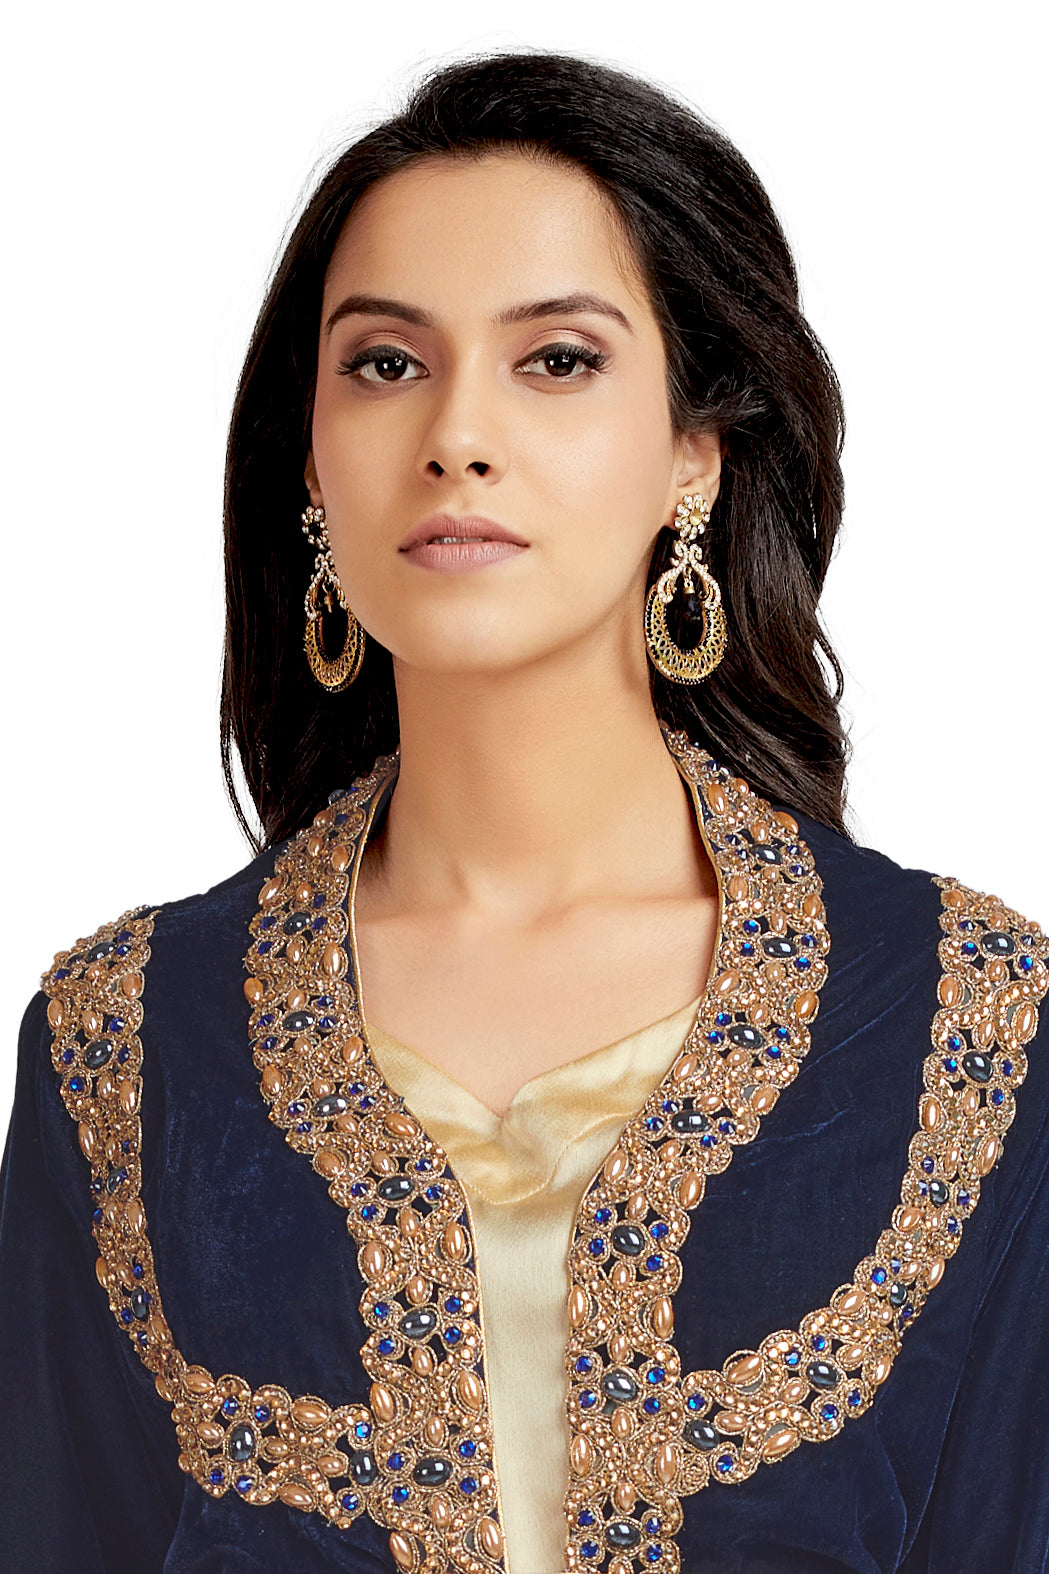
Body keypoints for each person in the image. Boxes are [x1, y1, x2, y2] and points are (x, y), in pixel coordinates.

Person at [1, 46, 1046, 1574]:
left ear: (693, 455)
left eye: (555, 359)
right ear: (313, 464)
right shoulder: (124, 1046)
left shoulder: (969, 1021)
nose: (455, 434)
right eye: (384, 363)